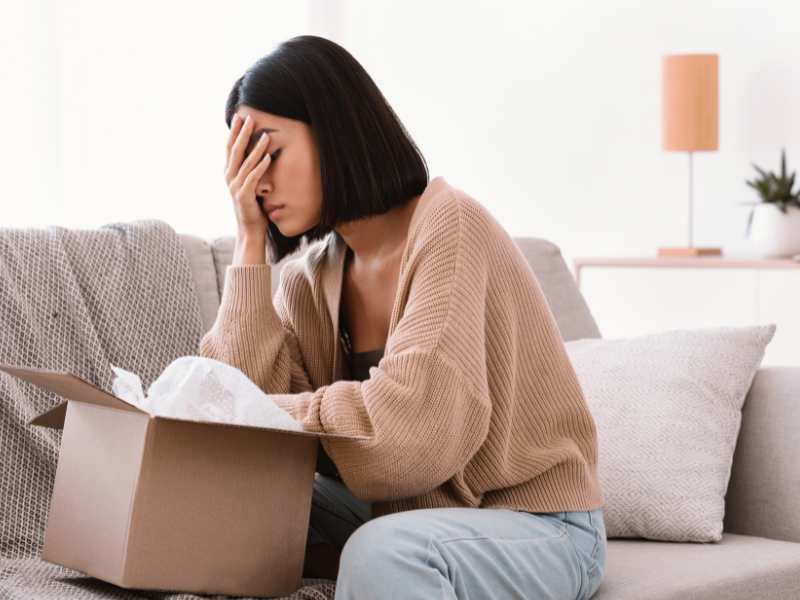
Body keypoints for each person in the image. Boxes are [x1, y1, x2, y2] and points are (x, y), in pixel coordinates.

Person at [199, 34, 607, 600]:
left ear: (336, 132)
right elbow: (243, 431)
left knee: (384, 552)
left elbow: (409, 439)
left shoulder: (451, 227)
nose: (257, 181)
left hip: (539, 524)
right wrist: (249, 242)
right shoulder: (308, 279)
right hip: (412, 510)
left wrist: (262, 414)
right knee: (227, 500)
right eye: (243, 161)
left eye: (268, 151)